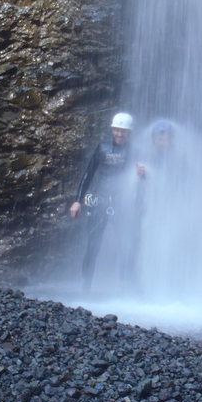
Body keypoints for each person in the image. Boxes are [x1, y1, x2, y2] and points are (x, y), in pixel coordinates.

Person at [69, 112, 141, 293]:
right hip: (99, 202)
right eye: (117, 130)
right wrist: (78, 201)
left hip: (121, 204)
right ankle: (85, 287)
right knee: (93, 244)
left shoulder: (135, 151)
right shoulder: (102, 148)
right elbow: (88, 174)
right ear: (112, 130)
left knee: (126, 245)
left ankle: (127, 288)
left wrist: (143, 174)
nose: (120, 134)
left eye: (124, 131)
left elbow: (142, 180)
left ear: (129, 133)